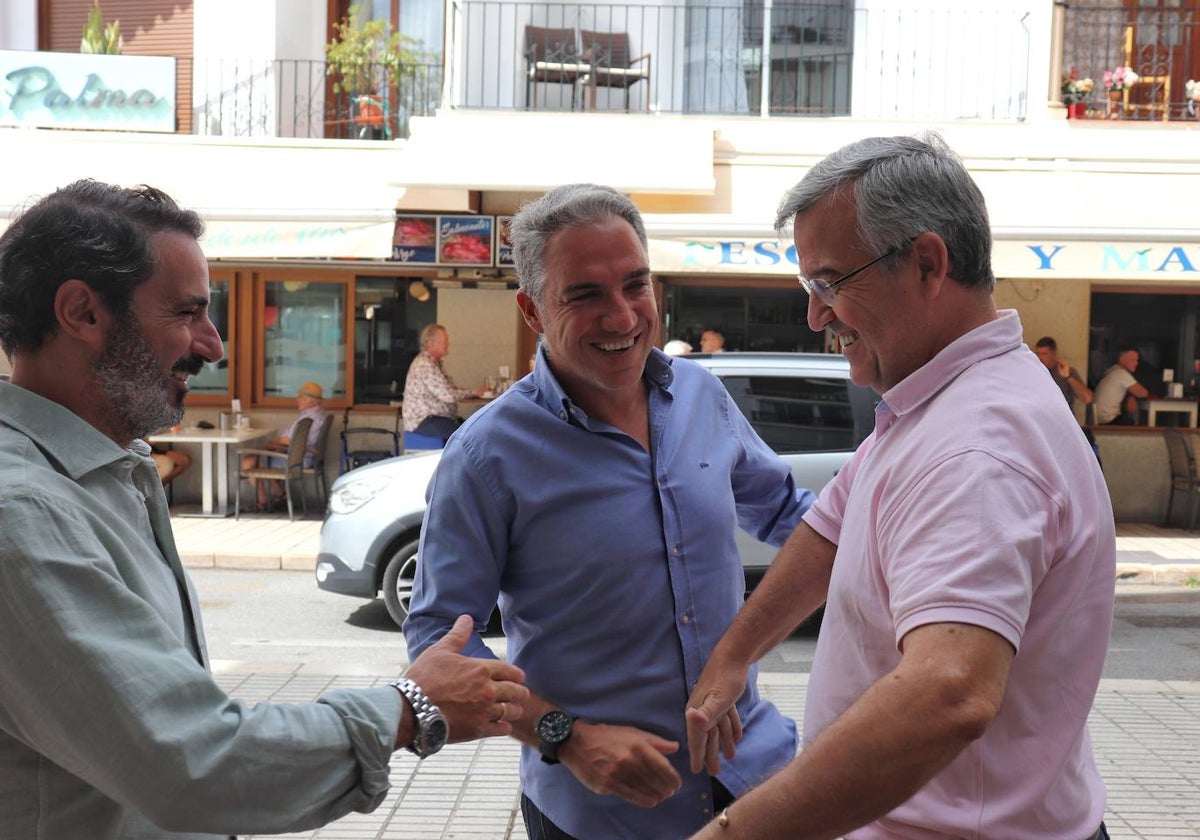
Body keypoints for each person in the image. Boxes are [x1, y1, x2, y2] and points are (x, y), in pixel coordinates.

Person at [0, 179, 528, 839]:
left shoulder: (109, 473)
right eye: (187, 312)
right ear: (81, 312)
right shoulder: (21, 512)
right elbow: (192, 763)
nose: (213, 344)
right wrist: (409, 706)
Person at [685, 134, 1114, 840]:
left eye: (829, 283)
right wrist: (733, 656)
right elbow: (830, 528)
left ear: (926, 263)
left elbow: (948, 693)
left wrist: (732, 833)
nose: (815, 315)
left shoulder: (976, 445)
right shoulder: (935, 399)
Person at [404, 183, 814, 840]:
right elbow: (438, 644)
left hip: (754, 779)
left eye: (635, 285)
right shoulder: (487, 456)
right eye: (585, 295)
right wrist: (564, 738)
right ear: (532, 310)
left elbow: (795, 518)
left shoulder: (701, 396)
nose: (622, 316)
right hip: (600, 818)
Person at [241, 380, 330, 509]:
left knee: (249, 461)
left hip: (295, 460)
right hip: (304, 456)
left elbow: (288, 441)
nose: (297, 400)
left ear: (310, 402)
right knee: (262, 459)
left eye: (300, 398)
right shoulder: (320, 414)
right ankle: (280, 493)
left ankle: (263, 502)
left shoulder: (308, 418)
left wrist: (272, 444)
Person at [401, 323, 482, 443]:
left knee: (472, 430)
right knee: (467, 439)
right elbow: (448, 395)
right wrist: (475, 392)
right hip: (424, 421)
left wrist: (471, 393)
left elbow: (448, 391)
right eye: (444, 340)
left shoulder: (433, 363)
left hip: (436, 419)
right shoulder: (425, 365)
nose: (448, 343)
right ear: (431, 343)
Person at [1094, 346, 1150, 425]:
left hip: (1099, 418)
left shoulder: (1112, 371)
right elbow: (1143, 393)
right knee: (1139, 424)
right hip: (1109, 420)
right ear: (1122, 360)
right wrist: (1131, 396)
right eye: (1132, 360)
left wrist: (1130, 396)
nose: (1136, 363)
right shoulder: (1121, 374)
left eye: (1137, 360)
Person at [1034, 336, 1093, 410]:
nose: (1040, 358)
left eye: (1044, 354)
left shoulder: (1065, 371)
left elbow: (1088, 399)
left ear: (1054, 353)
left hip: (1061, 417)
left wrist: (1068, 377)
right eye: (1038, 354)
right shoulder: (1034, 371)